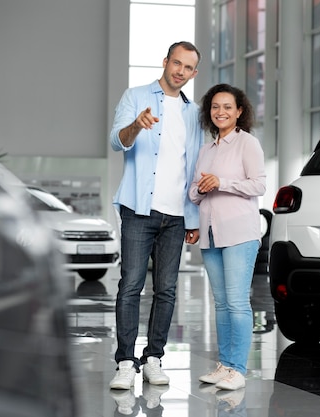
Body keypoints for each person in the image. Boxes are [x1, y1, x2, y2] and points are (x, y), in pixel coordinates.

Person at [108, 41, 204, 390]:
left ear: (194, 73)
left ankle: (154, 358)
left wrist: (194, 218)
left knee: (166, 290)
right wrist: (136, 125)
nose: (180, 71)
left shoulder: (194, 114)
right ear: (165, 62)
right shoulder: (135, 96)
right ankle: (124, 362)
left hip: (177, 216)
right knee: (130, 286)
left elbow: (193, 165)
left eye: (188, 67)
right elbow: (117, 141)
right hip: (138, 210)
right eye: (176, 63)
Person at [189, 84, 266, 391]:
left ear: (239, 112)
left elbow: (258, 185)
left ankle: (238, 369)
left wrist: (222, 182)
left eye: (227, 107)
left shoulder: (248, 144)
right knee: (221, 304)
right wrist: (202, 188)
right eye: (215, 107)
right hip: (210, 234)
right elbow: (193, 193)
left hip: (239, 233)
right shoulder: (205, 150)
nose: (220, 112)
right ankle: (225, 365)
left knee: (236, 303)